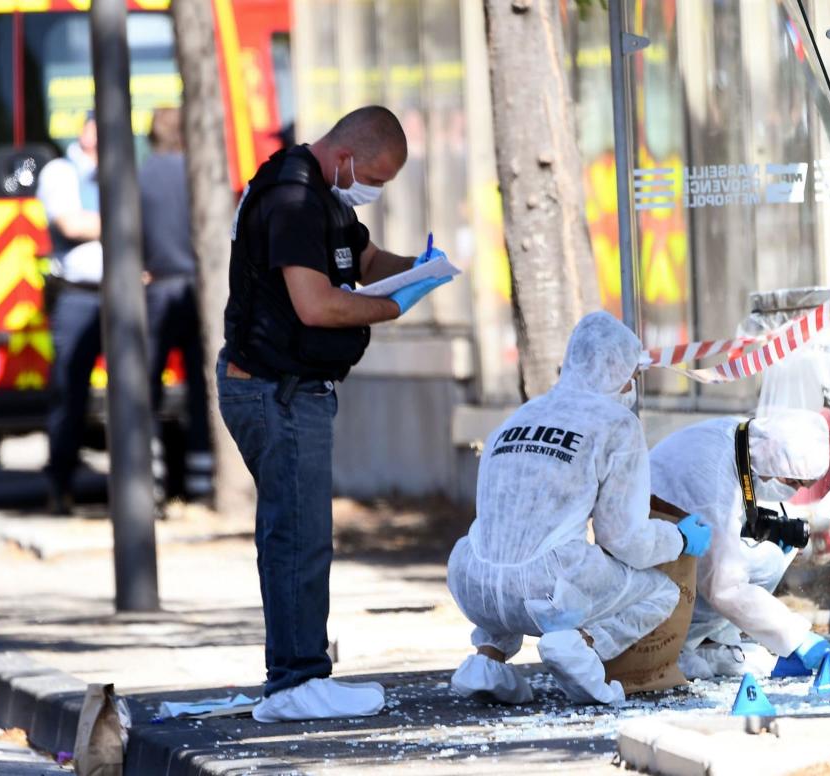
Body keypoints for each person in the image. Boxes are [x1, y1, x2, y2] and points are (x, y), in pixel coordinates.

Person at [218, 105, 453, 723]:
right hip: (277, 390)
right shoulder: (294, 199)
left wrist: (422, 270)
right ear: (346, 156)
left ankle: (298, 675)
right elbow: (317, 306)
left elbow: (366, 262)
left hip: (290, 388)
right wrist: (392, 311)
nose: (375, 190)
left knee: (298, 533)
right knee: (297, 538)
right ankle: (297, 682)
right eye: (374, 176)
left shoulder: (326, 196)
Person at [446, 312, 713, 706]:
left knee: (514, 552)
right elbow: (624, 539)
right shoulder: (616, 425)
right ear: (616, 369)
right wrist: (679, 537)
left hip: (473, 582)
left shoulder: (517, 417)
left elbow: (505, 520)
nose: (632, 386)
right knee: (660, 593)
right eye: (632, 376)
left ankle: (489, 659)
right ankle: (579, 647)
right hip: (547, 592)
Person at [648, 410, 830, 678]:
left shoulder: (739, 438)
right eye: (791, 482)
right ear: (772, 459)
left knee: (766, 558)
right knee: (746, 569)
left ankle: (712, 641)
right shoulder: (714, 482)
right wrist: (796, 637)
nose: (793, 491)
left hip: (668, 548)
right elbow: (724, 586)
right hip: (654, 571)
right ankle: (675, 645)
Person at [138, 107, 212, 505]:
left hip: (156, 290)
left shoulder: (140, 176)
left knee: (147, 387)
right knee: (201, 388)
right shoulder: (198, 175)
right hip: (197, 292)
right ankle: (201, 481)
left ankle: (152, 481)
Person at [37, 114, 102, 515]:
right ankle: (60, 486)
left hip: (123, 293)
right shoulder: (61, 172)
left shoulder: (123, 165)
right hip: (77, 296)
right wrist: (125, 217)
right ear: (84, 130)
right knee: (68, 392)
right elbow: (70, 224)